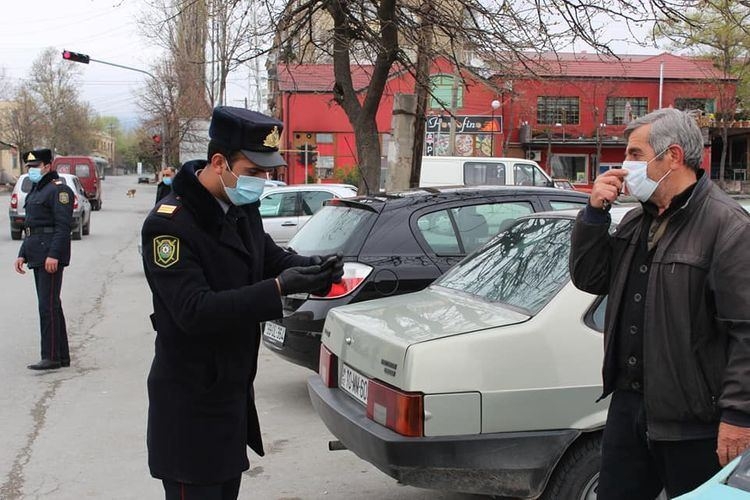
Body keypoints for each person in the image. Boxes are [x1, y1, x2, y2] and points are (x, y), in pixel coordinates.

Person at [141, 106, 344, 500]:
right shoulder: (169, 224)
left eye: (268, 172)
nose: (263, 182)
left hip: (230, 397)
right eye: (254, 172)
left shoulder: (241, 208)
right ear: (219, 163)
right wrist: (278, 289)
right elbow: (193, 311)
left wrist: (315, 268)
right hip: (190, 407)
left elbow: (270, 259)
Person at [569, 107, 750, 499]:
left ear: (672, 156)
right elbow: (591, 278)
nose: (624, 164)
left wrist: (739, 415)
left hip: (696, 422)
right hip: (629, 407)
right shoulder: (637, 221)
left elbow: (746, 332)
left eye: (635, 154)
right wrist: (594, 216)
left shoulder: (727, 227)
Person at [14, 148, 74, 370]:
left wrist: (54, 255)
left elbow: (62, 227)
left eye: (36, 166)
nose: (32, 170)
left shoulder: (59, 191)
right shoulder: (37, 190)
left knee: (46, 306)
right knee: (52, 305)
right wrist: (22, 253)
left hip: (49, 254)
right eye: (29, 167)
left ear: (48, 166)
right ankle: (61, 355)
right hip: (37, 252)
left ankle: (50, 356)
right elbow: (32, 226)